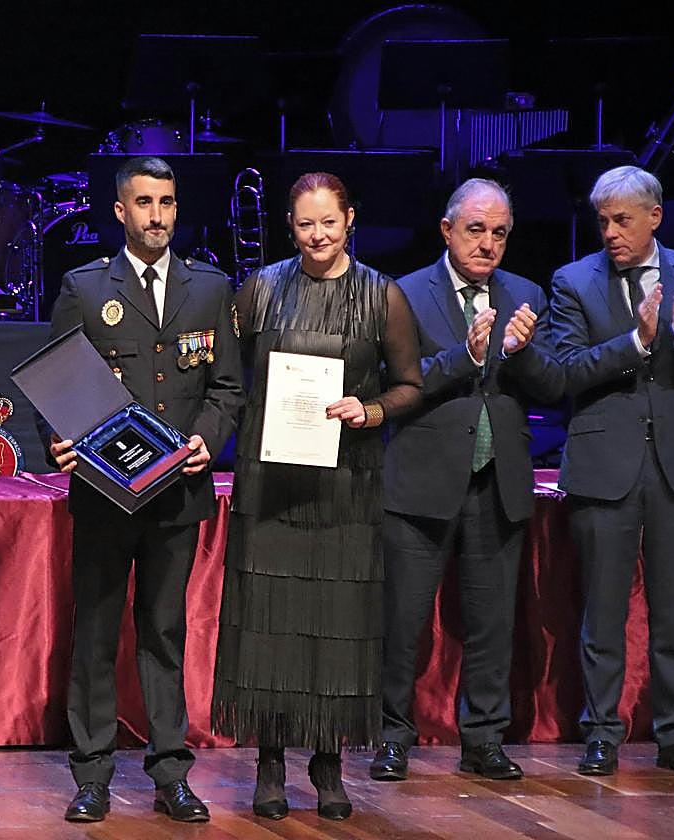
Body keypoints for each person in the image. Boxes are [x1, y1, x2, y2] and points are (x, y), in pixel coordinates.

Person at [211, 172, 422, 821]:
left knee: (338, 626)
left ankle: (328, 763)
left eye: (328, 221)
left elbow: (411, 385)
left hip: (345, 483)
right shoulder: (263, 287)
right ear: (290, 226)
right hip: (270, 481)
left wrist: (371, 410)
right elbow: (219, 364)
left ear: (350, 218)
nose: (318, 235)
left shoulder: (382, 295)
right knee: (270, 623)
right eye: (306, 224)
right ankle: (270, 762)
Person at [43, 156, 243, 824]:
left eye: (167, 203)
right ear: (120, 211)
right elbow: (56, 380)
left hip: (177, 495)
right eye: (144, 203)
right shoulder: (82, 285)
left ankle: (170, 772)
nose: (157, 215)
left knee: (164, 632)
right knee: (96, 631)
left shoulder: (210, 288)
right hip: (104, 494)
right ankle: (92, 774)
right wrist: (58, 437)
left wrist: (207, 441)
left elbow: (227, 388)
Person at [371, 179, 563, 784]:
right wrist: (471, 357)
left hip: (497, 480)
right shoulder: (404, 294)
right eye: (475, 229)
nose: (487, 243)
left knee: (491, 621)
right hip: (422, 484)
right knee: (403, 621)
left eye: (499, 232)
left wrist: (520, 350)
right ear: (447, 230)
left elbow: (553, 385)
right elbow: (393, 383)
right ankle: (392, 738)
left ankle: (483, 738)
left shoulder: (525, 293)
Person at [550, 165, 674, 777]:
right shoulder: (573, 280)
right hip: (604, 463)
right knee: (604, 610)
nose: (611, 233)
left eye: (623, 220)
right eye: (603, 221)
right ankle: (601, 731)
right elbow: (563, 370)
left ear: (656, 217)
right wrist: (638, 341)